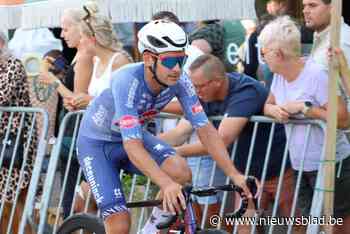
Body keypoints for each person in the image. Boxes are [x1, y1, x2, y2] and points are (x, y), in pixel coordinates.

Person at [76, 20, 255, 234]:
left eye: (182, 59)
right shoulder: (127, 80)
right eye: (170, 61)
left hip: (129, 138)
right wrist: (165, 184)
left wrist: (234, 174)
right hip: (97, 145)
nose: (178, 68)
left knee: (180, 171)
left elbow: (206, 131)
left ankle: (150, 231)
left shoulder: (180, 81)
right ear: (148, 58)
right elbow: (132, 145)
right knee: (120, 224)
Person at [161, 54, 302, 233]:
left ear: (217, 81)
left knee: (296, 223)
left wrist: (176, 152)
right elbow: (180, 128)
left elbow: (219, 141)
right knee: (244, 228)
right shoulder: (206, 94)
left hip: (279, 170)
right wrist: (149, 136)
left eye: (199, 86)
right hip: (245, 175)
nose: (196, 92)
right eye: (193, 86)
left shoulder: (245, 91)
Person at [259, 16, 350, 233]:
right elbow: (267, 105)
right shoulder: (279, 76)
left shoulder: (317, 74)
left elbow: (344, 118)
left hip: (331, 163)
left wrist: (306, 108)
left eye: (264, 53)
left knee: (337, 225)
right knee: (314, 225)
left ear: (278, 54)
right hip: (301, 165)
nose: (263, 59)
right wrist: (274, 110)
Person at [0, 29, 37, 234]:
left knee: (14, 198)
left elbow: (2, 95)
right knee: (5, 201)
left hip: (16, 142)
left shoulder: (13, 64)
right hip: (5, 141)